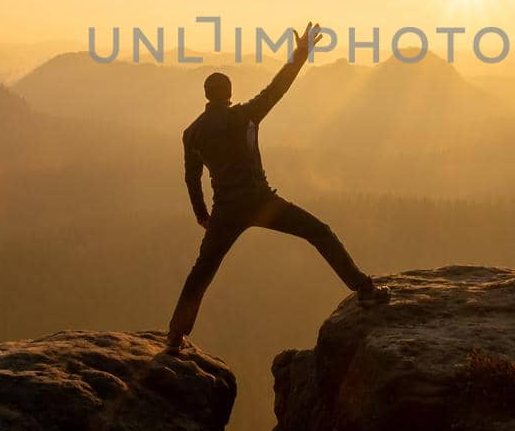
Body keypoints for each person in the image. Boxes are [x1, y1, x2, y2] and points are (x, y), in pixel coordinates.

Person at [165, 21, 388, 353]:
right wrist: (300, 55)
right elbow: (278, 87)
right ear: (228, 93)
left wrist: (202, 214)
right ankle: (364, 289)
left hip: (225, 209)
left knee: (203, 269)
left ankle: (175, 336)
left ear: (207, 95)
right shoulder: (245, 115)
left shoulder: (192, 132)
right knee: (319, 232)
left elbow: (191, 178)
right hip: (260, 202)